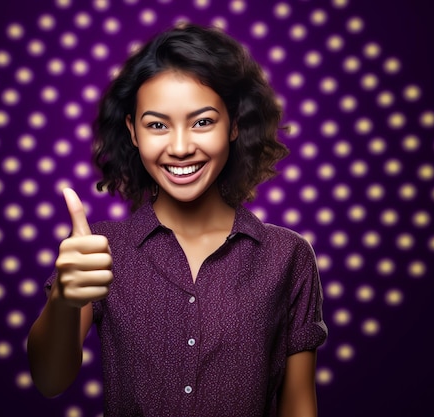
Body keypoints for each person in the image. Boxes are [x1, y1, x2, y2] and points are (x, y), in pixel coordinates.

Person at [27, 23, 328, 417]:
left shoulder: (287, 256)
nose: (181, 147)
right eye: (157, 125)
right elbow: (50, 381)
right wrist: (63, 299)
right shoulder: (100, 250)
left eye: (202, 121)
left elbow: (299, 405)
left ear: (234, 125)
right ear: (133, 132)